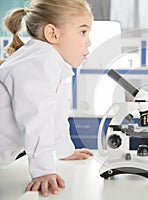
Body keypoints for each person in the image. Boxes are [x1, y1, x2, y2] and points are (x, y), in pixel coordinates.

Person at [0, 0, 94, 197]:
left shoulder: (52, 64)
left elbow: (56, 115)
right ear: (53, 34)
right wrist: (43, 171)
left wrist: (64, 150)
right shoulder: (39, 61)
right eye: (83, 32)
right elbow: (37, 117)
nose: (89, 41)